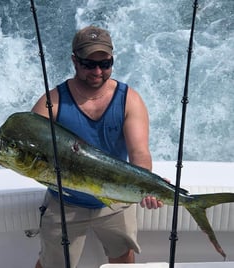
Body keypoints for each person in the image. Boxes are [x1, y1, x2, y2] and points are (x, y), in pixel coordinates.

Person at [32, 25, 163, 268]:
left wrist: (149, 186)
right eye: (89, 64)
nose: (98, 71)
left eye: (105, 64)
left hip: (115, 199)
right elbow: (29, 142)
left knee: (123, 258)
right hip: (66, 202)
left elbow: (139, 152)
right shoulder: (53, 101)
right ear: (74, 61)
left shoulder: (128, 99)